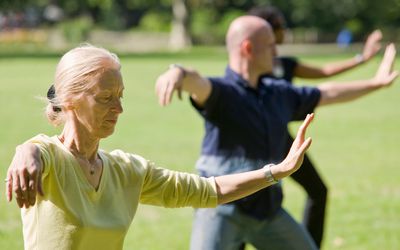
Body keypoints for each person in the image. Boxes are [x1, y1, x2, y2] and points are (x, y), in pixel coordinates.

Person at [4, 44, 315, 250]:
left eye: (120, 96)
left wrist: (277, 171)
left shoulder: (126, 171)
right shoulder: (46, 159)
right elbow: (38, 151)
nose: (118, 109)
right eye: (105, 98)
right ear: (69, 101)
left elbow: (209, 190)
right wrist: (25, 150)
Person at [155, 16, 398, 250]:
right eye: (270, 46)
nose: (276, 52)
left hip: (267, 213)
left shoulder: (277, 93)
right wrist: (178, 72)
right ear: (248, 48)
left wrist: (376, 83)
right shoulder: (223, 93)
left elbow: (327, 92)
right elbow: (196, 82)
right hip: (220, 212)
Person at [248, 5, 383, 247]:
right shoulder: (250, 67)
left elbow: (324, 73)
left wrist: (363, 58)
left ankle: (309, 245)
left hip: (282, 139)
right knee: (248, 202)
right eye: (280, 26)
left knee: (317, 191)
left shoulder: (286, 64)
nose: (285, 31)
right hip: (253, 140)